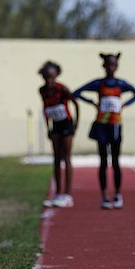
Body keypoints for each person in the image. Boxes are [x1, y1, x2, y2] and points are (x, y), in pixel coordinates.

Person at [73, 53, 135, 209]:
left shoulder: (121, 84)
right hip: (101, 126)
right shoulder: (99, 84)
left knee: (116, 161)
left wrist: (124, 104)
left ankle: (117, 194)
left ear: (117, 66)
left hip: (115, 125)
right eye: (109, 64)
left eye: (114, 64)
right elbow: (76, 92)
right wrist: (91, 102)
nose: (111, 67)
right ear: (104, 66)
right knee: (103, 162)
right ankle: (104, 196)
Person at [38, 61, 79, 208]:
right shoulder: (42, 90)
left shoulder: (62, 88)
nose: (49, 80)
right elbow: (45, 108)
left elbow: (75, 103)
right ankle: (57, 193)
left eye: (51, 77)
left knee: (66, 157)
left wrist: (75, 124)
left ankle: (67, 195)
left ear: (56, 75)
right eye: (46, 77)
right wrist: (47, 127)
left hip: (66, 124)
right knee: (56, 158)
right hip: (55, 125)